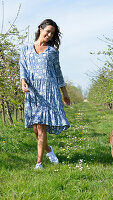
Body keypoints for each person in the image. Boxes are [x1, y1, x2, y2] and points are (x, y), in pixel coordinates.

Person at [19, 19, 70, 169]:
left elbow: (58, 73)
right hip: (33, 91)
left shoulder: (52, 52)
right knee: (36, 128)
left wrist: (64, 93)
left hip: (49, 91)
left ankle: (39, 162)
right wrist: (23, 81)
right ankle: (48, 149)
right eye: (47, 31)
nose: (49, 35)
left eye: (52, 33)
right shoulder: (25, 49)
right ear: (40, 29)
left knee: (41, 127)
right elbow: (23, 67)